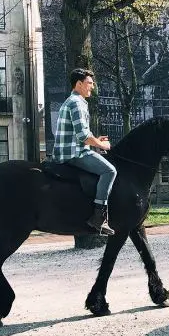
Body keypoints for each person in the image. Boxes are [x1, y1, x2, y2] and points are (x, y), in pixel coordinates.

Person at [53, 68, 117, 235]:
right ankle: (98, 217)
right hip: (74, 153)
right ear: (79, 84)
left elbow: (81, 134)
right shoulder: (76, 103)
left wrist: (96, 140)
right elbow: (83, 136)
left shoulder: (72, 101)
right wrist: (103, 146)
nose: (93, 86)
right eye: (89, 83)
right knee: (110, 170)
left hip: (70, 150)